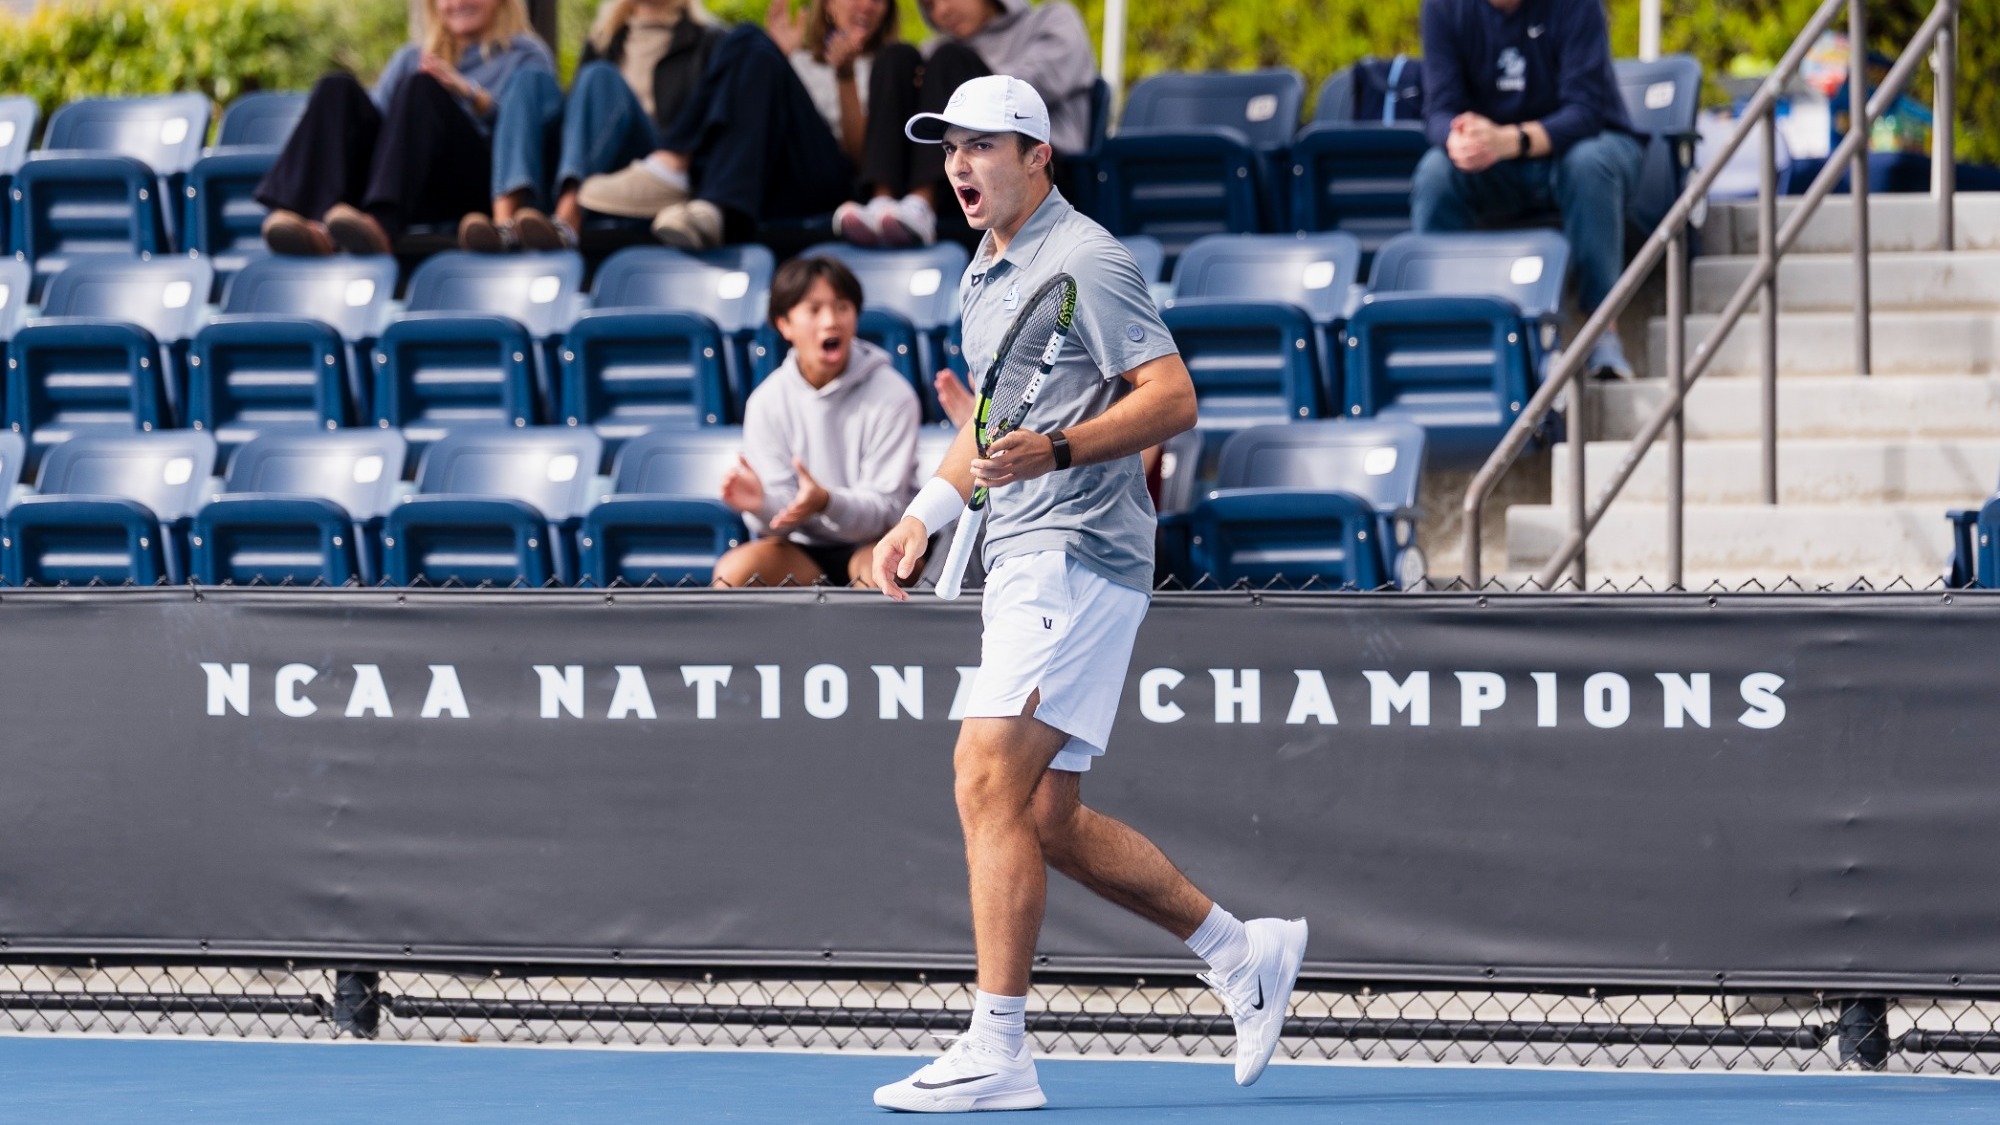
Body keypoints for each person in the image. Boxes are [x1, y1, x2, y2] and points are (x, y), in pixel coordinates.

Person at [868, 76, 1308, 1112]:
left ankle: (999, 1048)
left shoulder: (1087, 260)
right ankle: (1240, 952)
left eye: (983, 146)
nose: (961, 167)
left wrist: (1059, 448)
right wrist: (920, 519)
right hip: (1018, 553)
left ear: (1037, 158)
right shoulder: (982, 276)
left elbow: (1173, 397)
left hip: (1075, 553)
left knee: (982, 774)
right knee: (1042, 815)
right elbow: (987, 424)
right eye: (949, 150)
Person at [1413, 0, 1645, 378]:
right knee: (1436, 172)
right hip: (1495, 165)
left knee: (1587, 164)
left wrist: (1509, 139)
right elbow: (1438, 111)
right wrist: (1458, 139)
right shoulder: (1442, 8)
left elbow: (1585, 112)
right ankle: (1438, 333)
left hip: (1584, 147)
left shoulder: (1577, 7)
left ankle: (1603, 333)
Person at [571, 0, 898, 252]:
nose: (867, 6)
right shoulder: (797, 61)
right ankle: (713, 206)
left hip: (832, 183)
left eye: (880, 0)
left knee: (745, 36)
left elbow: (864, 162)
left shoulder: (889, 66)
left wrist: (846, 78)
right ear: (829, 4)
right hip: (776, 178)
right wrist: (776, 60)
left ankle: (673, 164)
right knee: (754, 47)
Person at [257, 0, 554, 256]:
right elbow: (375, 125)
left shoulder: (526, 54)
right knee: (337, 88)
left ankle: (381, 227)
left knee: (421, 88)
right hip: (409, 178)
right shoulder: (414, 56)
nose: (458, 2)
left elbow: (528, 133)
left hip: (473, 185)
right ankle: (308, 223)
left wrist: (468, 94)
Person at [715, 256, 920, 588]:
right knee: (734, 573)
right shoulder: (766, 401)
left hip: (879, 542)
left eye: (842, 307)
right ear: (784, 324)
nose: (831, 321)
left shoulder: (893, 394)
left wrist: (826, 501)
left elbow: (885, 510)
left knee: (878, 574)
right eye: (814, 310)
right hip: (803, 550)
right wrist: (762, 505)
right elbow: (777, 523)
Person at [459, 0, 727, 252]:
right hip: (597, 167)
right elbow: (580, 119)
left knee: (600, 77)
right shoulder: (604, 40)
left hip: (656, 167)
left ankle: (567, 221)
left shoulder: (710, 42)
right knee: (528, 80)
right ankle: (505, 224)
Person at [835, 0, 1095, 248]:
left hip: (1036, 166)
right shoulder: (937, 48)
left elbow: (1025, 96)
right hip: (958, 179)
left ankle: (922, 203)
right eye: (929, 6)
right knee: (897, 56)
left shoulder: (1051, 21)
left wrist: (950, 78)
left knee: (950, 58)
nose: (941, 12)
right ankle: (883, 200)